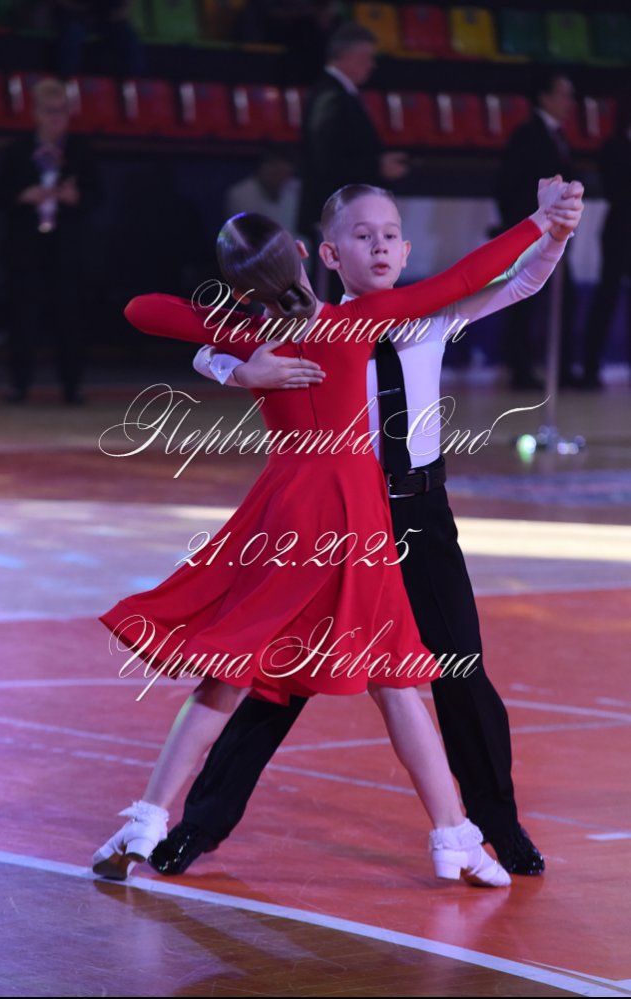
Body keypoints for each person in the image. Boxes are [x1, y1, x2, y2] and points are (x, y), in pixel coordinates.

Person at [92, 179, 575, 885]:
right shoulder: (363, 320)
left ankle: (151, 815)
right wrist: (535, 218)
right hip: (353, 514)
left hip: (344, 513)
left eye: (390, 234)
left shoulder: (277, 329)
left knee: (285, 669)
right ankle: (442, 837)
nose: (379, 245)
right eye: (363, 234)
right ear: (316, 253)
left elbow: (147, 310)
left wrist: (239, 354)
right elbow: (471, 271)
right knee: (354, 681)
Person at [0, 77, 99, 404]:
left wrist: (75, 197)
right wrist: (25, 195)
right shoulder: (18, 151)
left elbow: (97, 195)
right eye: (49, 111)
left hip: (67, 248)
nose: (56, 118)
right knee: (23, 317)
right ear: (36, 113)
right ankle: (19, 385)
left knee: (70, 317)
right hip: (26, 248)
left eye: (61, 111)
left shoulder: (79, 151)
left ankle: (72, 386)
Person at [298, 22, 408, 296]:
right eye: (367, 57)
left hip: (346, 215)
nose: (372, 65)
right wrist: (377, 166)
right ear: (348, 56)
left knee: (347, 292)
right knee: (334, 293)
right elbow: (324, 158)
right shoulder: (330, 95)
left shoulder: (340, 93)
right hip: (333, 216)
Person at [496, 70, 579, 390]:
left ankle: (561, 368)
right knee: (523, 302)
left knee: (564, 301)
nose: (569, 102)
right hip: (531, 236)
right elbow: (508, 186)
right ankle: (521, 369)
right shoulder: (527, 135)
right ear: (544, 97)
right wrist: (526, 230)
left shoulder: (558, 136)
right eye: (563, 94)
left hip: (555, 236)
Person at [580, 100, 631, 389]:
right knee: (607, 298)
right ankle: (590, 368)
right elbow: (616, 191)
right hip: (620, 233)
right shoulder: (614, 146)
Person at [224, 151, 299, 233]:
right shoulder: (239, 194)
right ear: (263, 168)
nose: (280, 178)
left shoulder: (296, 189)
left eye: (284, 174)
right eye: (277, 172)